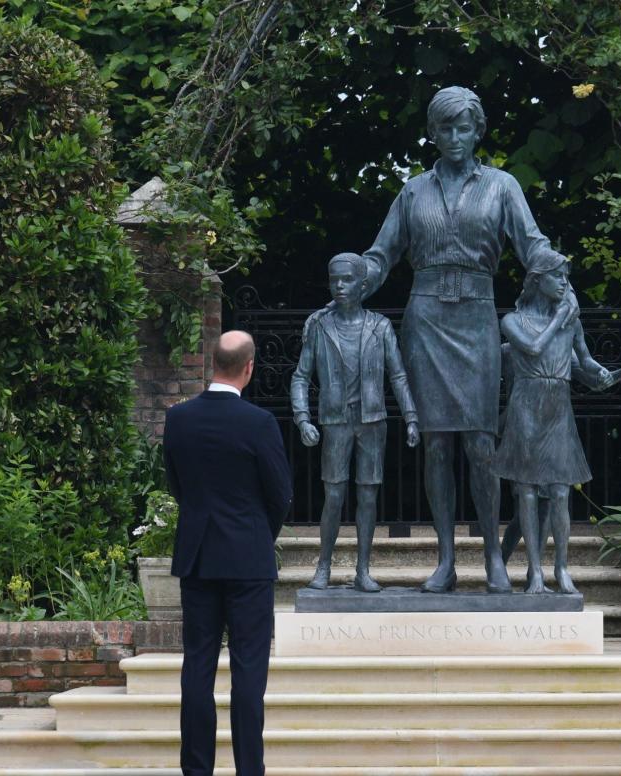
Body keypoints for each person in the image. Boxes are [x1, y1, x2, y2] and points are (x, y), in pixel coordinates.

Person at [356, 85, 570, 594]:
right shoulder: (413, 191)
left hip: (476, 317)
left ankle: (494, 556)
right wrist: (352, 279)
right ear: (432, 132)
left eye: (464, 127)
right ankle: (446, 559)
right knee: (435, 445)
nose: (455, 137)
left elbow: (532, 243)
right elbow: (381, 254)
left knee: (479, 442)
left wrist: (560, 280)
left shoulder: (501, 186)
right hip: (426, 319)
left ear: (479, 131)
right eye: (445, 128)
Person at [164, 330, 293, 776]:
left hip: (199, 557)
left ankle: (197, 770)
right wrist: (259, 533)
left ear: (211, 364)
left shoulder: (179, 420)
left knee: (197, 664)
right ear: (249, 368)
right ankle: (248, 771)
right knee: (249, 670)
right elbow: (280, 494)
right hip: (248, 561)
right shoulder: (259, 423)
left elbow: (176, 485)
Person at [492, 253, 621, 593]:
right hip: (526, 406)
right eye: (557, 276)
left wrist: (616, 374)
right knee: (527, 492)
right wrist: (559, 318)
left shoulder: (570, 322)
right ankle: (534, 572)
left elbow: (588, 367)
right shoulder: (513, 321)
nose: (563, 282)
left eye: (565, 277)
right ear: (537, 281)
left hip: (557, 407)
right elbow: (530, 348)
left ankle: (560, 568)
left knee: (560, 492)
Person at [290, 252, 420, 592]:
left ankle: (363, 569)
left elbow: (399, 375)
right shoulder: (319, 325)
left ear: (363, 286)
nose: (340, 286)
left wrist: (411, 417)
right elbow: (301, 377)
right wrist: (302, 418)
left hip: (372, 421)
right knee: (333, 496)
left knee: (367, 497)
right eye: (335, 280)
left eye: (347, 280)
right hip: (335, 421)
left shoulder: (379, 326)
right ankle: (324, 566)